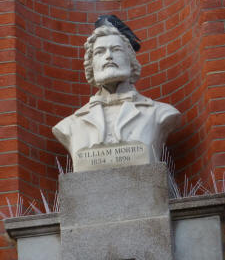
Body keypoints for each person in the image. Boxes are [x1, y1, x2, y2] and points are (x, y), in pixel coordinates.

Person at [52, 25, 181, 171]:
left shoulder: (160, 113)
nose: (109, 56)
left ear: (130, 60)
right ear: (91, 65)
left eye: (116, 50)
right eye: (100, 52)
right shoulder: (69, 125)